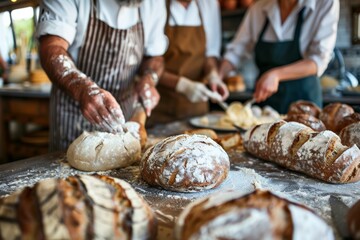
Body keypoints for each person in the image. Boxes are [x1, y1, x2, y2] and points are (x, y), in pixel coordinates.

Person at [36, 0, 168, 151]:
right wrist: (83, 89)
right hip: (73, 118)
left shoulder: (154, 3)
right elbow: (52, 48)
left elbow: (155, 56)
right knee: (68, 171)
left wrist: (149, 78)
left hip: (126, 119)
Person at [219, 0, 339, 114]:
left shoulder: (325, 3)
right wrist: (217, 77)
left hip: (304, 104)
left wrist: (276, 75)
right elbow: (236, 52)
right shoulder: (258, 8)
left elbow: (318, 60)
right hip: (265, 105)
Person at [149, 0, 229, 124]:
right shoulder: (155, 4)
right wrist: (183, 85)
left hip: (198, 112)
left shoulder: (208, 4)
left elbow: (209, 56)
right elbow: (148, 64)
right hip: (160, 107)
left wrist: (213, 75)